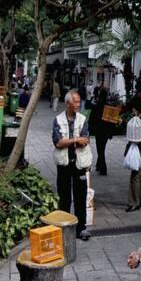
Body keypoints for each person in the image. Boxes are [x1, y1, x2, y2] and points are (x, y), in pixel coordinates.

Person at [52, 90, 93, 241]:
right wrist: (76, 140)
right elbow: (58, 142)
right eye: (75, 102)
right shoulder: (58, 119)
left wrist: (69, 141)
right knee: (64, 197)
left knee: (80, 197)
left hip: (79, 164)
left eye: (78, 101)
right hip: (63, 164)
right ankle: (64, 226)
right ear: (68, 103)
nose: (78, 104)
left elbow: (86, 139)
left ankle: (81, 228)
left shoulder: (83, 119)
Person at [88, 88, 118, 175]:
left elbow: (92, 119)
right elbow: (112, 121)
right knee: (102, 148)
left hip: (99, 131)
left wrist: (90, 130)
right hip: (106, 131)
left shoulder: (97, 106)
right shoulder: (109, 107)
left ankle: (103, 168)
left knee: (100, 149)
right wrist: (111, 133)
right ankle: (99, 165)